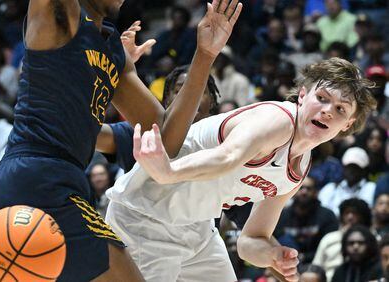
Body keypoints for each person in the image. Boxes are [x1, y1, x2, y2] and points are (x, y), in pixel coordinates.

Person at [0, 0, 243, 281]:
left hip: (64, 184)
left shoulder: (113, 50)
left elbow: (166, 140)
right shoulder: (60, 18)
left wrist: (204, 54)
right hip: (33, 175)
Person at [106, 57, 376, 281]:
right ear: (302, 96)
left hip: (197, 229)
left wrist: (272, 255)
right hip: (145, 217)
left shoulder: (298, 168)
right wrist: (168, 172)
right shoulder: (278, 120)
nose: (328, 110)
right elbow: (228, 157)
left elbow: (251, 241)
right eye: (322, 97)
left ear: (348, 125)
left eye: (340, 109)